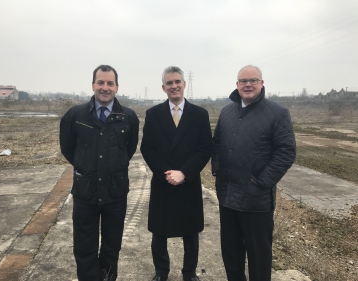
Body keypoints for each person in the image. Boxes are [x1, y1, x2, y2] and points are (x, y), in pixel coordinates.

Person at [211, 65, 296, 281]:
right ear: (237, 85)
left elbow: (286, 152)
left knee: (259, 257)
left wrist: (261, 182)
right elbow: (217, 143)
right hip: (228, 195)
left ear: (262, 83)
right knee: (231, 254)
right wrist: (218, 173)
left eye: (253, 80)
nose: (248, 84)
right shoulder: (227, 111)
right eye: (243, 81)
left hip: (256, 200)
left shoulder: (277, 113)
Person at [60, 65, 139, 281]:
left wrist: (112, 168)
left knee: (112, 246)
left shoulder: (128, 117)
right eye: (101, 83)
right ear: (93, 85)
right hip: (85, 192)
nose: (105, 88)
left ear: (117, 87)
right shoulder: (75, 115)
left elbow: (129, 150)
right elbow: (68, 148)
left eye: (110, 83)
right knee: (84, 248)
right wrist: (85, 168)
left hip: (116, 193)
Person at [140, 66, 212, 281]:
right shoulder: (153, 115)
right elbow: (147, 148)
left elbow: (205, 148)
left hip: (188, 181)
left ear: (184, 84)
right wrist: (167, 173)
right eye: (169, 83)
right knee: (159, 231)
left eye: (177, 82)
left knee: (190, 232)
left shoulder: (200, 115)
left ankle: (189, 273)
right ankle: (161, 272)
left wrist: (184, 173)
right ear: (164, 88)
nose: (174, 86)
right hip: (163, 181)